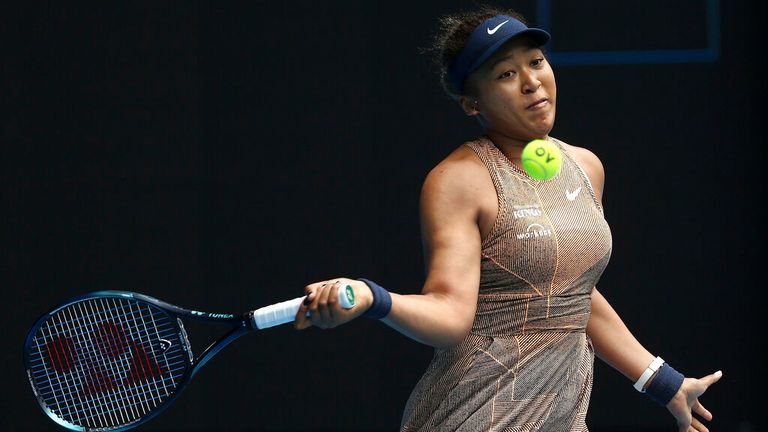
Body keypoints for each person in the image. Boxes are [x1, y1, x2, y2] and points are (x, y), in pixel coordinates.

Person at [294, 6, 721, 432]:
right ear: (470, 103)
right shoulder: (459, 180)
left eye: (536, 62)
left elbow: (571, 293)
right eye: (505, 74)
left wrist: (664, 382)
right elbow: (449, 314)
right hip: (473, 416)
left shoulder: (586, 166)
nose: (532, 82)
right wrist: (373, 298)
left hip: (560, 418)